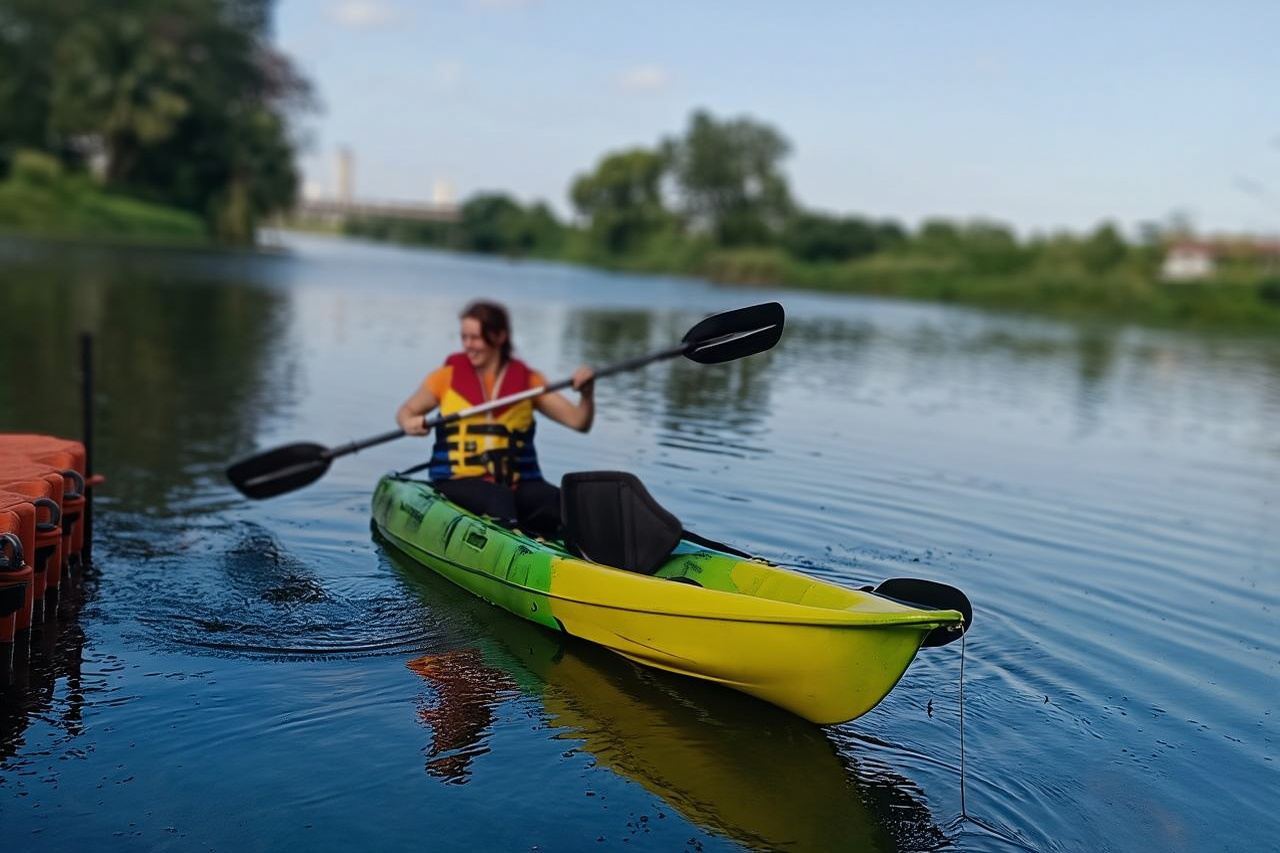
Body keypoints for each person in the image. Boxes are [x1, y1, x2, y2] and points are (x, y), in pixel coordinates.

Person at [396, 300, 594, 537]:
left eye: (475, 338)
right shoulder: (444, 379)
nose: (468, 345)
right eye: (464, 337)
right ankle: (518, 548)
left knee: (557, 501)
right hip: (459, 480)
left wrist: (586, 393)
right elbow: (406, 411)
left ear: (499, 337)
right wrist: (409, 423)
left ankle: (580, 554)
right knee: (498, 498)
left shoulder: (528, 382)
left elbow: (579, 421)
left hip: (516, 482)